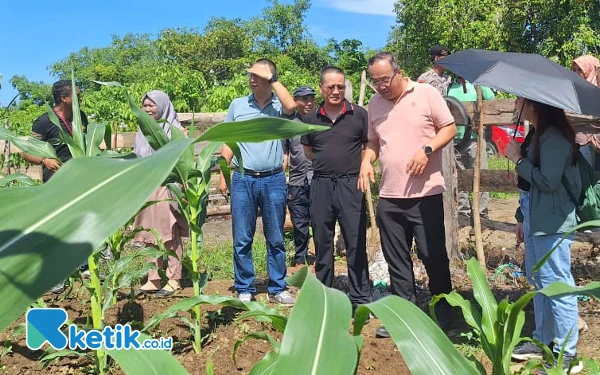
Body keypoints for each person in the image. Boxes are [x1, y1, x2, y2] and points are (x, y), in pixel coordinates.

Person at [360, 52, 458, 338]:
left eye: (385, 79)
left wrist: (427, 150)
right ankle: (405, 315)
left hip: (424, 195)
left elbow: (449, 127)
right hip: (390, 197)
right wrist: (367, 159)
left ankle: (443, 308)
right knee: (396, 259)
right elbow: (373, 142)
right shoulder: (375, 104)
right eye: (376, 81)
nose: (380, 86)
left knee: (432, 255)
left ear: (399, 72)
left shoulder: (425, 93)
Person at [506, 98, 583, 374]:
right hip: (535, 217)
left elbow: (548, 181)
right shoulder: (538, 133)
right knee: (540, 280)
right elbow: (529, 186)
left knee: (558, 285)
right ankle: (542, 339)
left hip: (552, 220)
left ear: (534, 105)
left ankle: (566, 354)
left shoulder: (555, 138)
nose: (516, 102)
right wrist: (520, 216)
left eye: (519, 98)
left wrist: (517, 159)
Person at [218, 58, 297, 305]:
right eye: (249, 75)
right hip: (243, 178)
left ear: (269, 78)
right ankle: (244, 287)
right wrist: (223, 174)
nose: (251, 78)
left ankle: (277, 288)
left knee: (275, 237)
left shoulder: (277, 106)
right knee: (242, 237)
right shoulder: (238, 105)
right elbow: (229, 140)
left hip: (273, 179)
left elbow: (292, 107)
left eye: (256, 74)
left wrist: (271, 78)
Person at [301, 66, 371, 314]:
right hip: (321, 184)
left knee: (355, 240)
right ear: (321, 88)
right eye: (330, 86)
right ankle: (325, 296)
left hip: (350, 184)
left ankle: (361, 296)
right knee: (322, 240)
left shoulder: (359, 115)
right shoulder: (310, 120)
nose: (336, 91)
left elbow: (368, 144)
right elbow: (309, 152)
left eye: (340, 86)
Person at [22, 80, 89, 293]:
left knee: (80, 223)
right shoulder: (44, 122)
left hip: (80, 180)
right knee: (58, 227)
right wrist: (43, 161)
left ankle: (83, 267)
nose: (81, 98)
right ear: (65, 98)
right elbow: (26, 152)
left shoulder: (81, 118)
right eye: (77, 95)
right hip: (56, 182)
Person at [133, 90, 188, 298]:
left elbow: (183, 161)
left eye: (151, 106)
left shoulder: (175, 130)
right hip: (147, 186)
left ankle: (174, 278)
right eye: (144, 106)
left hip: (168, 185)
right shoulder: (142, 130)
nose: (147, 109)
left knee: (169, 232)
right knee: (148, 233)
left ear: (163, 106)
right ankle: (153, 277)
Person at [447, 77, 495, 221]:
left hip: (475, 138)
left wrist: (484, 121)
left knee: (480, 175)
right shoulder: (451, 86)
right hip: (456, 140)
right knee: (460, 177)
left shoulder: (478, 84)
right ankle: (464, 214)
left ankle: (481, 215)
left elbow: (492, 104)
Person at [287, 86, 316, 272]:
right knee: (299, 223)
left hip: (317, 180)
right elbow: (284, 152)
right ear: (295, 101)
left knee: (320, 220)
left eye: (311, 99)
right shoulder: (289, 125)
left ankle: (322, 257)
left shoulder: (319, 122)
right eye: (304, 99)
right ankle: (300, 258)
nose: (309, 103)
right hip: (296, 180)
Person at [572, 55, 600, 166]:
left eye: (580, 70)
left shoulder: (596, 92)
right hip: (580, 142)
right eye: (574, 70)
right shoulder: (574, 91)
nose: (576, 73)